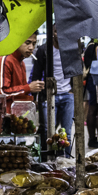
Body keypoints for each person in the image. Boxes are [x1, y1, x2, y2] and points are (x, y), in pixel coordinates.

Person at [30, 26, 74, 156]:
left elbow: (77, 71)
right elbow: (37, 73)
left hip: (67, 95)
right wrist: (34, 98)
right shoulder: (44, 50)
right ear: (52, 33)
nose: (59, 34)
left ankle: (66, 160)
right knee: (48, 131)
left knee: (67, 133)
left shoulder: (70, 50)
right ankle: (48, 159)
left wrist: (73, 92)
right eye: (56, 31)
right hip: (48, 96)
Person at [0, 34, 44, 104]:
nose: (31, 48)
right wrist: (28, 88)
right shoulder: (5, 60)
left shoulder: (21, 62)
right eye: (27, 43)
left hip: (18, 109)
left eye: (34, 44)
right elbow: (1, 93)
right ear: (17, 42)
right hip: (5, 110)